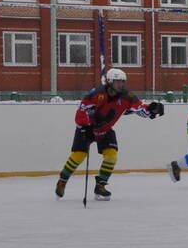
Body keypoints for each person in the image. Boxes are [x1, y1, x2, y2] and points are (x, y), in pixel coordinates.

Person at [54, 68, 164, 200]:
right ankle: (63, 180)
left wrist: (152, 109)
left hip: (105, 130)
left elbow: (140, 109)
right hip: (86, 128)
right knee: (79, 155)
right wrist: (86, 126)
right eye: (118, 82)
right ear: (110, 82)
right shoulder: (96, 94)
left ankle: (100, 185)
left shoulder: (127, 97)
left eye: (123, 82)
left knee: (112, 155)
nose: (121, 85)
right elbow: (81, 111)